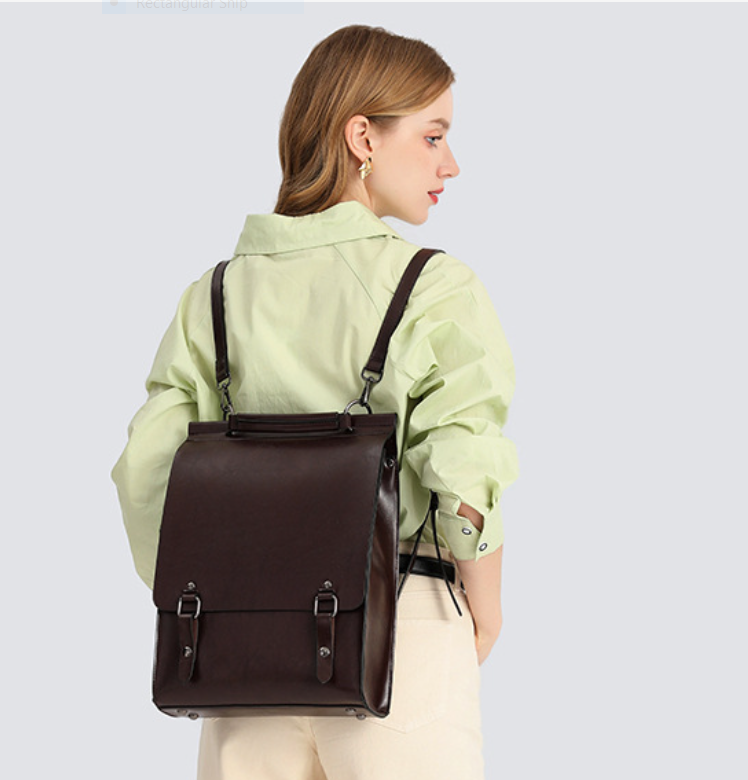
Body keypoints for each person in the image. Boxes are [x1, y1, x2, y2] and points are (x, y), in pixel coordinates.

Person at [111, 24, 519, 780]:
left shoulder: (214, 297)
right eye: (433, 136)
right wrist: (485, 615)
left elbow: (145, 478)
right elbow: (464, 471)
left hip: (246, 655)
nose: (451, 164)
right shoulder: (436, 289)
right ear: (363, 137)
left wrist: (221, 600)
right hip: (404, 626)